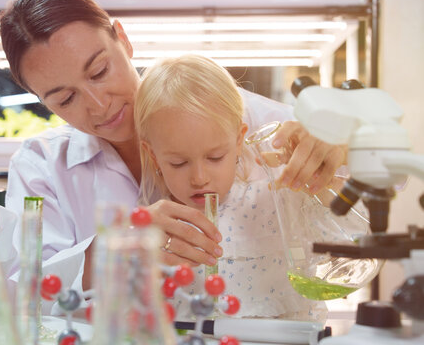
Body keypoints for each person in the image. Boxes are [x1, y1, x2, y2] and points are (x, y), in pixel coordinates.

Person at [0, 0, 346, 313]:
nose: (99, 106)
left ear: (123, 40)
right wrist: (116, 248)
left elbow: (377, 185)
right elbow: (25, 291)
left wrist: (335, 145)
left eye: (99, 71)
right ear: (43, 102)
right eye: (65, 99)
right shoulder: (43, 164)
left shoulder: (235, 113)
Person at [135, 54, 330, 320]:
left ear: (239, 140)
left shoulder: (275, 199)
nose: (199, 178)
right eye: (179, 163)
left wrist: (322, 176)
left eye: (215, 157)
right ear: (154, 155)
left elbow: (347, 230)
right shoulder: (155, 231)